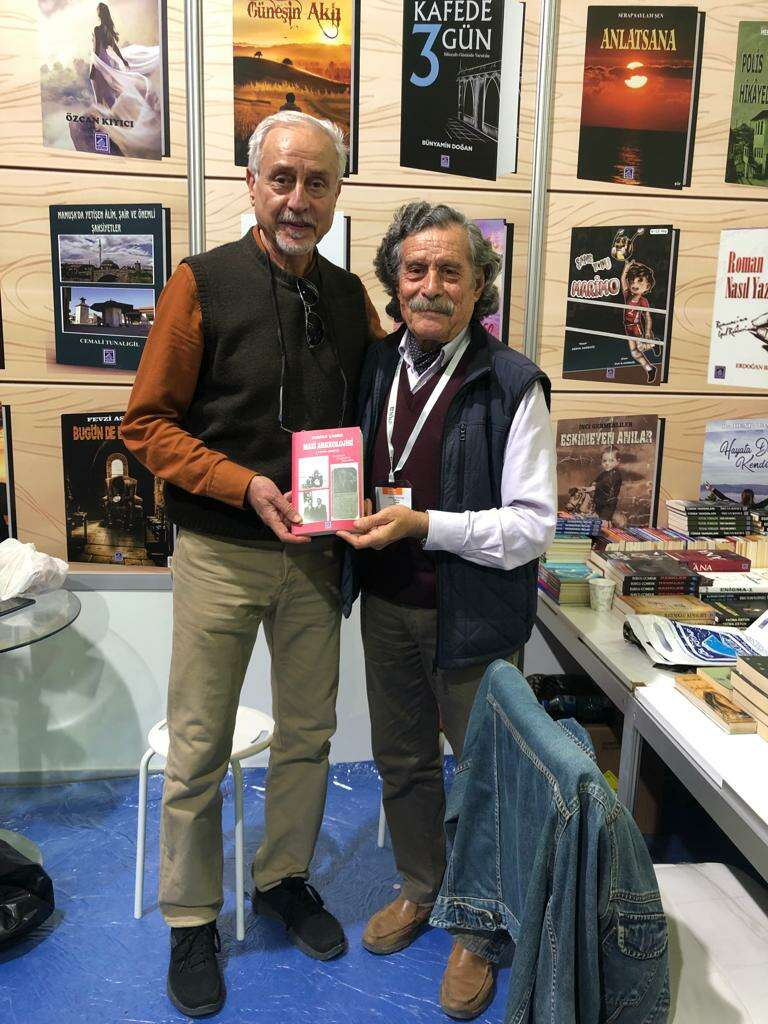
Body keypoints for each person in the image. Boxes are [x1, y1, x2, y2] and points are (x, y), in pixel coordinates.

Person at [121, 111, 383, 1018]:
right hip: (221, 554)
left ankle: (282, 878)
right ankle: (191, 918)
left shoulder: (349, 299)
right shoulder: (200, 283)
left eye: (317, 182)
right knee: (199, 746)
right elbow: (146, 425)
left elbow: (377, 411)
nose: (297, 199)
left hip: (315, 561)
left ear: (336, 192)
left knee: (309, 733)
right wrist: (243, 485)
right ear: (251, 183)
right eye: (282, 179)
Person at [337, 201, 556, 1020]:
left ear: (478, 285)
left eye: (450, 271)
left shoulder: (512, 383)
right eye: (416, 269)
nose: (431, 285)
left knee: (488, 779)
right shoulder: (374, 364)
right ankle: (422, 887)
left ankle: (480, 927)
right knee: (402, 761)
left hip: (475, 617)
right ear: (396, 281)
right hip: (387, 603)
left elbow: (532, 526)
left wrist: (428, 525)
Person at [621, 260, 660, 383]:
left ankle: (654, 344)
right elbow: (623, 279)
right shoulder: (627, 294)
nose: (634, 284)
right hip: (627, 327)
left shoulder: (643, 301)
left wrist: (647, 332)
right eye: (632, 281)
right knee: (634, 353)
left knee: (640, 348)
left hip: (635, 327)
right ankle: (650, 369)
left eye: (639, 281)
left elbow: (647, 317)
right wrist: (627, 267)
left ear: (647, 286)